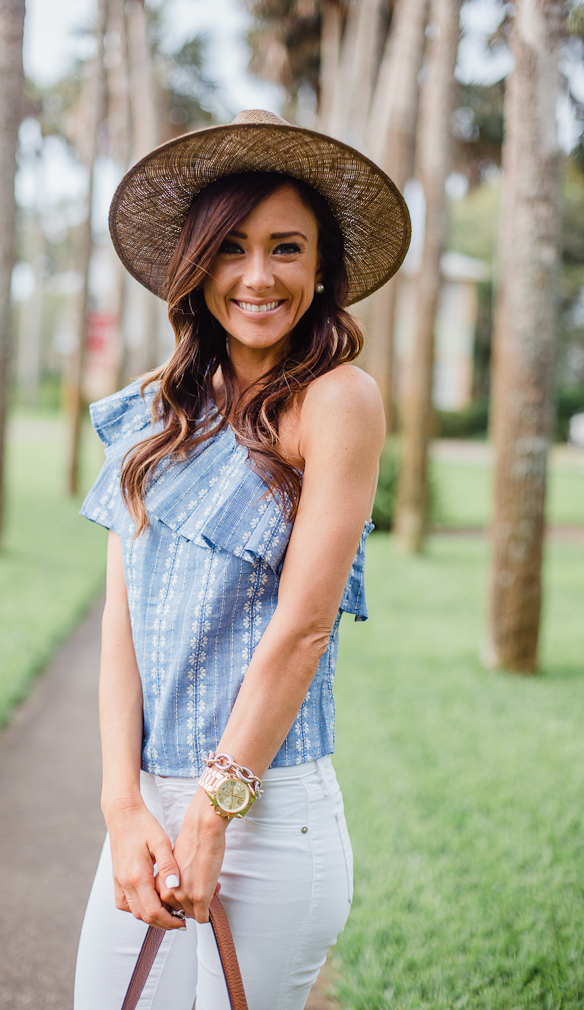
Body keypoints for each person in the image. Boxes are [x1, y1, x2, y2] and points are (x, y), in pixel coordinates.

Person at [74, 110, 410, 1010]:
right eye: (231, 247)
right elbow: (123, 624)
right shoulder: (157, 409)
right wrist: (121, 806)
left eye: (286, 248)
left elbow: (302, 629)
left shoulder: (336, 401)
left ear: (322, 269)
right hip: (147, 813)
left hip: (264, 820)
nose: (257, 276)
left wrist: (212, 818)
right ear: (196, 265)